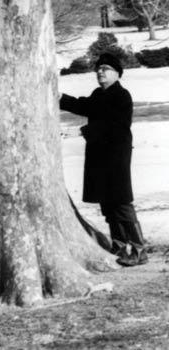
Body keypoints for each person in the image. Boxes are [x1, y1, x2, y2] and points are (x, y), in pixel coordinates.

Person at [59, 52, 148, 267]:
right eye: (98, 68)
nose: (100, 72)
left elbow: (115, 125)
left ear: (118, 74)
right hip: (99, 156)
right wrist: (59, 97)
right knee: (107, 204)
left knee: (121, 202)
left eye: (106, 68)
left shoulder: (122, 96)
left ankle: (138, 249)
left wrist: (84, 131)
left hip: (116, 156)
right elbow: (82, 106)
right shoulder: (98, 94)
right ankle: (118, 245)